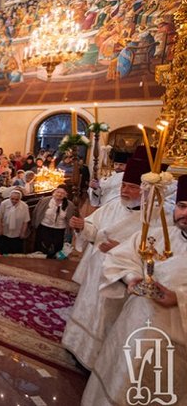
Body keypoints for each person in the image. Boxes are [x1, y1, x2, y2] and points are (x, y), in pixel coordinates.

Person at [80, 174, 187, 404]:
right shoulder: (160, 236)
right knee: (117, 378)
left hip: (174, 341)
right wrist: (133, 277)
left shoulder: (160, 221)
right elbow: (125, 256)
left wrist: (178, 297)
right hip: (133, 323)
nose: (185, 214)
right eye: (182, 206)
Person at [62, 156, 155, 370]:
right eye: (123, 185)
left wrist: (118, 249)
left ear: (146, 190)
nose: (125, 191)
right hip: (97, 269)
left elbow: (155, 253)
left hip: (121, 278)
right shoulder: (114, 206)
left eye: (132, 187)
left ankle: (96, 360)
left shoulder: (156, 218)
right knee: (89, 306)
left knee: (107, 316)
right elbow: (94, 230)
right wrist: (81, 227)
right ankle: (76, 346)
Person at [32, 185, 75, 258]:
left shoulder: (70, 205)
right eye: (58, 192)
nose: (59, 194)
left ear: (65, 195)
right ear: (54, 193)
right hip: (44, 227)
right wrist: (34, 224)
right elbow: (36, 212)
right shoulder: (45, 201)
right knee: (42, 248)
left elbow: (70, 218)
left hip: (59, 230)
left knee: (56, 249)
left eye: (62, 193)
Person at [0, 189, 30, 254]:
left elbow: (26, 221)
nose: (14, 201)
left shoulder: (24, 206)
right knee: (3, 251)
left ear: (20, 199)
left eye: (16, 199)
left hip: (17, 233)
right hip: (5, 232)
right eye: (12, 199)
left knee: (15, 252)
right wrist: (0, 229)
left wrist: (23, 232)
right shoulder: (4, 203)